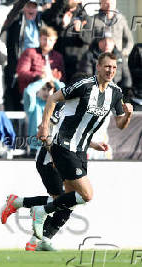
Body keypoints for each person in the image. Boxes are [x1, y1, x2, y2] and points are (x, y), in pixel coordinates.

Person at [30, 52, 133, 241]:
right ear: (98, 67)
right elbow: (53, 99)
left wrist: (127, 116)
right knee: (87, 194)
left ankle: (39, 239)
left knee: (70, 200)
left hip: (81, 150)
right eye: (107, 66)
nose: (111, 70)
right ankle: (40, 211)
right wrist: (44, 125)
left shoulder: (116, 92)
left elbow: (120, 125)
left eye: (114, 67)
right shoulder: (84, 85)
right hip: (63, 145)